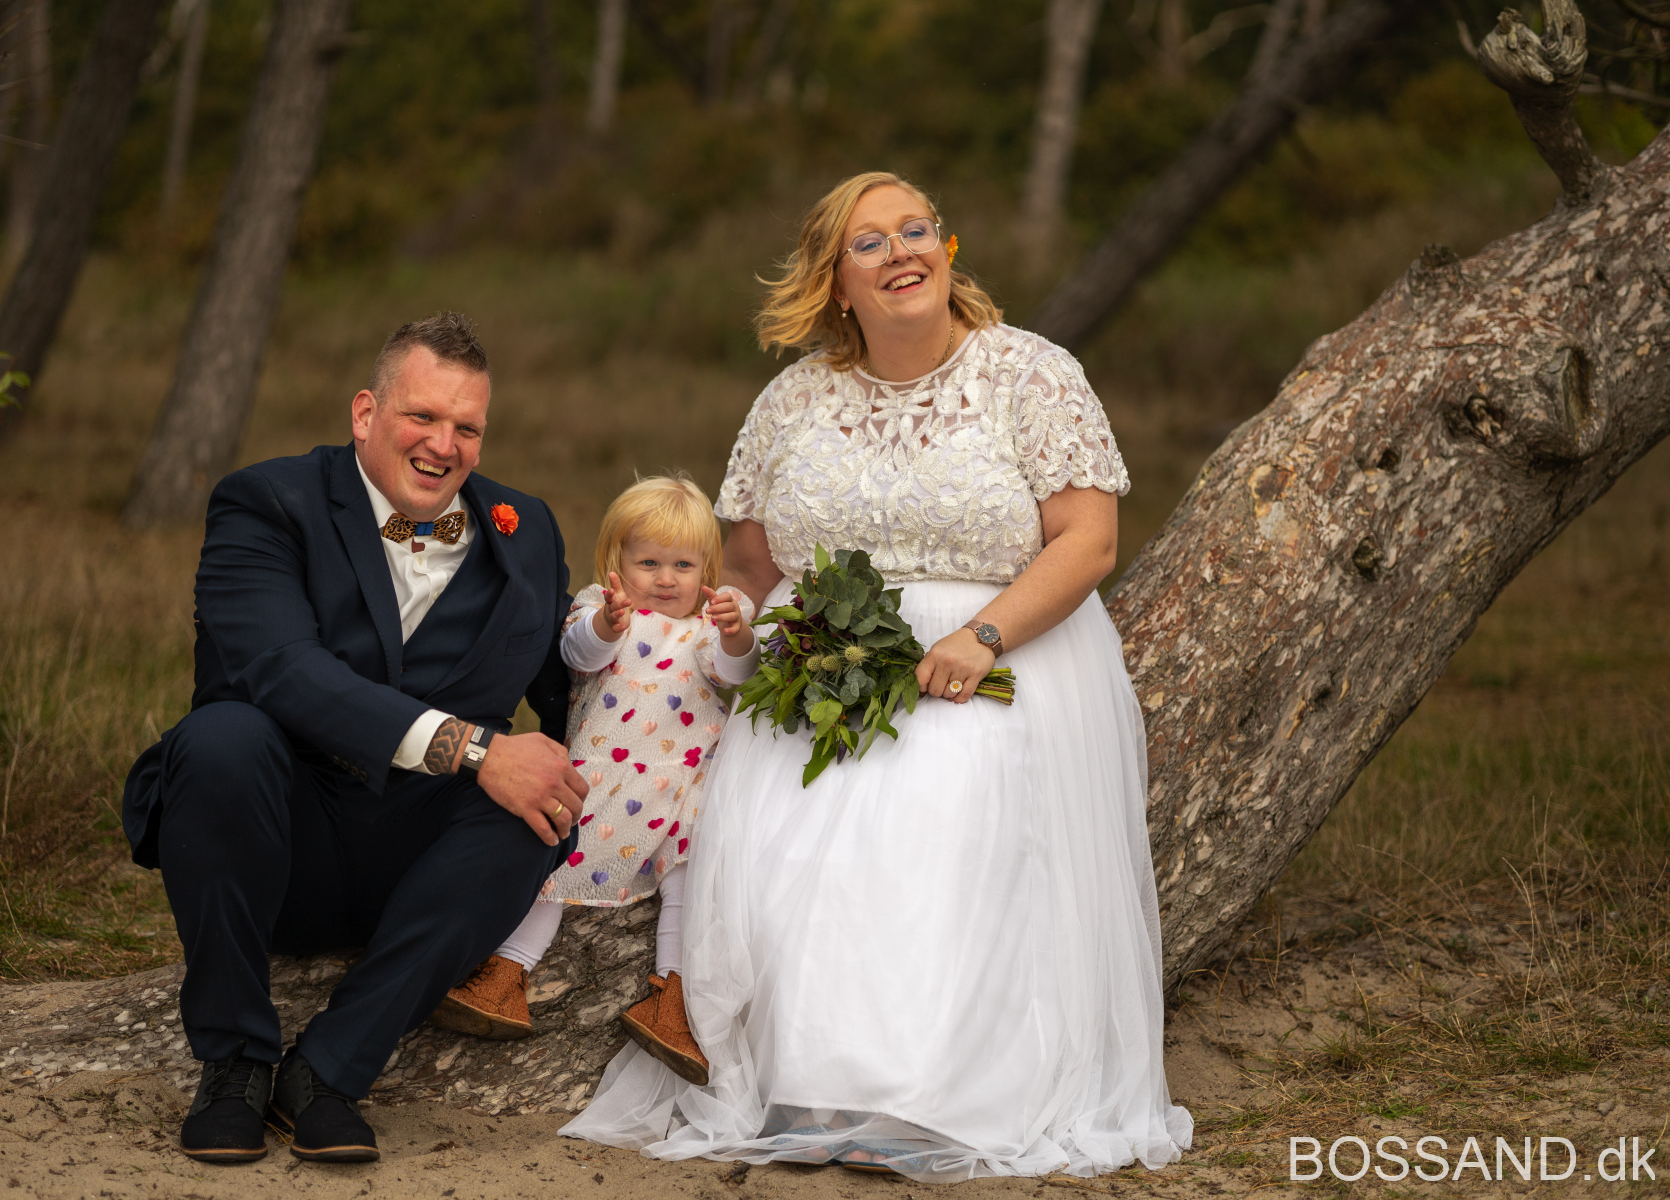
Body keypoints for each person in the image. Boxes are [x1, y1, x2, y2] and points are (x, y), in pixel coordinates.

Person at [561, 173, 1193, 1181]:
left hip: (1004, 651)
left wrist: (982, 637)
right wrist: (742, 639)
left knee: (943, 808)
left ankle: (930, 1095)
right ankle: (818, 1090)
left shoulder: (1031, 373)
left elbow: (1089, 540)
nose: (902, 251)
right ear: (835, 283)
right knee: (778, 833)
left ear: (947, 250)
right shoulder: (794, 399)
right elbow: (751, 562)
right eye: (870, 242)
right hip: (821, 659)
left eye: (917, 230)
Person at [121, 313, 590, 1166]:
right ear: (366, 413)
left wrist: (688, 652)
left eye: (467, 427)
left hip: (422, 870)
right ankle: (233, 1064)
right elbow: (282, 670)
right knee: (222, 737)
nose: (444, 445)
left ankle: (328, 1073)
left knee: (539, 807)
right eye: (423, 416)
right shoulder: (267, 502)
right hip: (272, 843)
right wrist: (478, 750)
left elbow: (570, 690)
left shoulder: (527, 528)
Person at [432, 475, 759, 1086]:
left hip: (686, 784)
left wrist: (737, 633)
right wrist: (608, 624)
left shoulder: (709, 627)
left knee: (689, 879)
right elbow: (579, 655)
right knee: (557, 860)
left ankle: (672, 998)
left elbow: (735, 673)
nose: (666, 579)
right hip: (605, 777)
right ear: (616, 562)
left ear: (707, 570)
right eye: (648, 563)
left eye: (684, 565)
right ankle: (507, 973)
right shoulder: (602, 610)